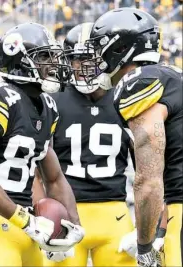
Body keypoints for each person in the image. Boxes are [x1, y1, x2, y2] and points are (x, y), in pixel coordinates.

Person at [0, 22, 84, 267]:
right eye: (44, 56)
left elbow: (53, 178)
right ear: (20, 60)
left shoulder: (47, 106)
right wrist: (24, 220)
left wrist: (74, 225)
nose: (53, 64)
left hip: (24, 224)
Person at [33, 22, 137, 267]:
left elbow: (147, 169)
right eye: (75, 59)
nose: (80, 67)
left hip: (115, 213)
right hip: (64, 214)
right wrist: (42, 218)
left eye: (89, 58)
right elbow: (34, 170)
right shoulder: (51, 102)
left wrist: (145, 226)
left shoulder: (127, 99)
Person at [89, 7, 182, 267]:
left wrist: (144, 247)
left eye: (101, 49)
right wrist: (160, 232)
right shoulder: (173, 77)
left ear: (120, 49)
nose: (97, 58)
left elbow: (149, 181)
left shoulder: (138, 83)